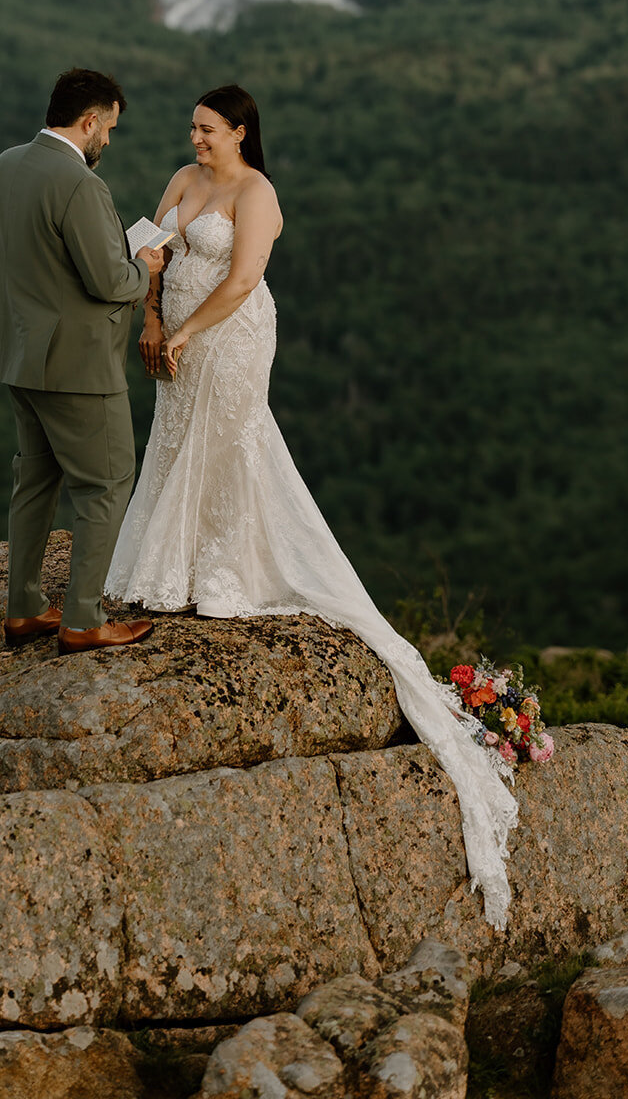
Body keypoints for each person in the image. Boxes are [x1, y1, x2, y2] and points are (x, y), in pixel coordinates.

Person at [105, 84, 519, 929]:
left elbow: (245, 274)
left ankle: (222, 570)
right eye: (193, 127)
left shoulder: (257, 195)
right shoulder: (182, 179)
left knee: (228, 450)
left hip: (231, 335)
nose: (194, 136)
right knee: (176, 445)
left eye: (207, 127)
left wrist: (187, 331)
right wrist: (152, 312)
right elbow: (151, 249)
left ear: (241, 132)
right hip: (174, 332)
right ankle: (168, 562)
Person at [0, 68, 165, 655]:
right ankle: (84, 619)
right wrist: (147, 267)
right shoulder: (81, 186)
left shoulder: (6, 165)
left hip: (19, 355)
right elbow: (109, 280)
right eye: (107, 128)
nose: (107, 141)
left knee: (34, 481)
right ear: (89, 121)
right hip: (79, 367)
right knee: (107, 483)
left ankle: (25, 607)